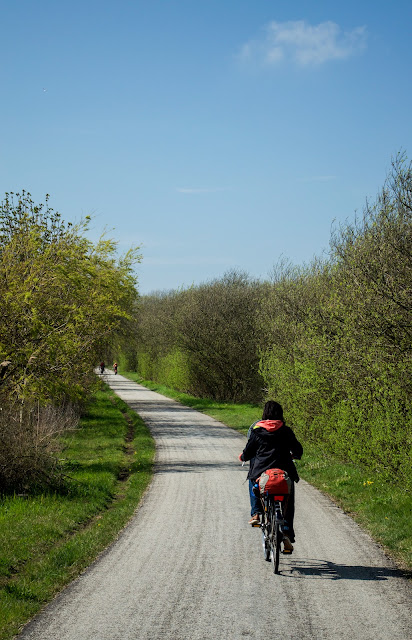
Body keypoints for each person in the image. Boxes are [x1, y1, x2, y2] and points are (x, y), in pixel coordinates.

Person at [239, 400, 303, 550]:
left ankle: (256, 514)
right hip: (283, 472)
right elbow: (298, 450)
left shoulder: (256, 431)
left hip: (262, 472)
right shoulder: (286, 431)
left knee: (253, 482)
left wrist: (242, 457)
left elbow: (248, 453)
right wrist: (293, 455)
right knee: (288, 498)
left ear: (264, 414)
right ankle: (286, 532)